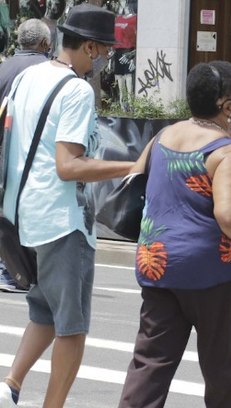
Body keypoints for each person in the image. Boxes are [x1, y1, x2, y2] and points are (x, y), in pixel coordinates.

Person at [117, 61, 231, 408]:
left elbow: (135, 179)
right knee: (221, 365)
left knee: (150, 363)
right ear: (226, 106)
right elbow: (229, 215)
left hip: (157, 262)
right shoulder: (225, 150)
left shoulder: (163, 136)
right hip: (208, 269)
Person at [0, 4, 133, 407]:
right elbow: (68, 165)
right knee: (72, 329)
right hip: (62, 221)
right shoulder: (75, 90)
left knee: (44, 310)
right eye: (106, 49)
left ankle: (10, 387)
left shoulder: (29, 76)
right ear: (90, 47)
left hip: (21, 216)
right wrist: (134, 164)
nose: (108, 57)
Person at [0, 18, 51, 293]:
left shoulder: (4, 67)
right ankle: (18, 272)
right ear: (44, 43)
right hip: (30, 156)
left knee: (6, 213)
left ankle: (7, 268)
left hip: (2, 153)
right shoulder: (46, 70)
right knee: (26, 215)